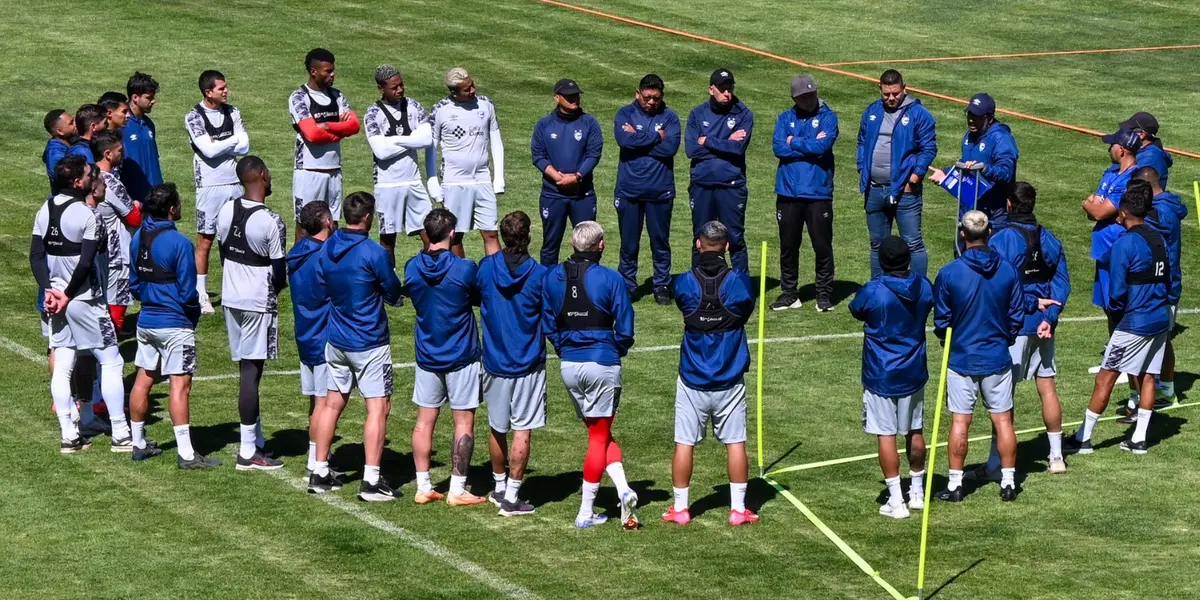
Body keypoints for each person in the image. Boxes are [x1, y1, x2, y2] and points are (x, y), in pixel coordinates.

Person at [31, 155, 131, 452]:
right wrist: (68, 293)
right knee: (111, 360)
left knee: (63, 364)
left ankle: (69, 435)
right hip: (85, 299)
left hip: (56, 300)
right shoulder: (89, 215)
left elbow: (36, 256)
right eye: (89, 174)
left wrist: (50, 291)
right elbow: (87, 262)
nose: (93, 176)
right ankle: (121, 433)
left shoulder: (45, 209)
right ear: (78, 182)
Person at [542, 221, 638, 529]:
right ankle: (585, 512)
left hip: (569, 366)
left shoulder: (552, 276)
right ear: (601, 245)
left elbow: (548, 322)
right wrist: (615, 350)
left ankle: (623, 489)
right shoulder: (611, 278)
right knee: (598, 436)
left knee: (599, 431)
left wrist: (564, 348)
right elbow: (625, 326)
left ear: (573, 244)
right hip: (601, 362)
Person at [663, 220, 758, 526]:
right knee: (735, 442)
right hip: (729, 377)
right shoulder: (740, 282)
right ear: (727, 247)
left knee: (684, 442)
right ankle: (738, 509)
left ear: (698, 244)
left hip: (692, 377)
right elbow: (744, 310)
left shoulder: (684, 282)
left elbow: (684, 305)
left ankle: (680, 509)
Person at [310, 192, 404, 501]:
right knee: (378, 407)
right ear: (367, 217)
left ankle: (319, 471)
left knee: (332, 403)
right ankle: (371, 481)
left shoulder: (328, 247)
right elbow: (392, 289)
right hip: (368, 341)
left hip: (336, 338)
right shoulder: (373, 252)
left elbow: (322, 280)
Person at [1066, 182, 1173, 455]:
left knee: (1105, 378)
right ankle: (1139, 439)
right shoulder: (1158, 238)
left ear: (1123, 213)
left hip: (1135, 322)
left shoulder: (1124, 244)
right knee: (1148, 377)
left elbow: (1115, 293)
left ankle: (1083, 438)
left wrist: (1119, 313)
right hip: (1160, 318)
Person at [932, 211, 1024, 502]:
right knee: (1003, 421)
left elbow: (942, 320)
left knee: (961, 422)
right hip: (996, 357)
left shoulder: (949, 272)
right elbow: (1017, 315)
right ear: (990, 232)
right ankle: (1008, 482)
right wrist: (1004, 339)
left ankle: (955, 485)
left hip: (962, 358)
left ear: (963, 234)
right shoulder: (1008, 270)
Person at [128, 183, 221, 467]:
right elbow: (188, 293)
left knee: (143, 379)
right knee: (180, 386)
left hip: (146, 321)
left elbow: (134, 284)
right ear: (171, 209)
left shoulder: (138, 238)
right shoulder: (180, 244)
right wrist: (191, 316)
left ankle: (138, 443)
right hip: (175, 325)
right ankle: (186, 454)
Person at [404, 208, 487, 506]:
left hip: (427, 353)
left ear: (426, 234)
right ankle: (458, 489)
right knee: (463, 423)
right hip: (461, 354)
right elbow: (478, 297)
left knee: (424, 422)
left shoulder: (412, 267)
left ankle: (423, 486)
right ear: (452, 233)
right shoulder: (465, 269)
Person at [848, 236, 933, 518]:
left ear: (882, 261)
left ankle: (897, 500)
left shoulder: (874, 290)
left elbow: (856, 309)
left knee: (886, 434)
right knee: (915, 429)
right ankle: (917, 493)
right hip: (913, 370)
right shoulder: (923, 285)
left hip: (881, 374)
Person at [989, 182, 1070, 475]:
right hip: (1044, 326)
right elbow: (1062, 284)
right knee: (1047, 388)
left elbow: (999, 287)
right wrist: (1050, 316)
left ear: (1009, 205)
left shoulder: (1001, 241)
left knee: (1003, 396)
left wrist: (1030, 306)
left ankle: (996, 463)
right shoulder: (1051, 239)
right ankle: (1057, 457)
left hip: (1015, 326)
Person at [217, 156, 288, 471]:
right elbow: (279, 272)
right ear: (260, 174)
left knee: (246, 369)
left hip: (231, 297)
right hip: (257, 300)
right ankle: (248, 452)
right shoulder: (271, 221)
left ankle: (256, 439)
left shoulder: (225, 209)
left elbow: (223, 251)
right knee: (251, 373)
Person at [476, 211, 547, 517]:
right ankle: (512, 496)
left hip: (494, 361)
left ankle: (500, 487)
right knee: (522, 429)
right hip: (528, 362)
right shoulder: (540, 275)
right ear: (528, 236)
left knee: (497, 427)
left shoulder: (485, 268)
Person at [856, 69, 937, 279]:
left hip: (904, 191)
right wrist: (862, 168)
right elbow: (862, 142)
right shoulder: (872, 111)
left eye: (895, 93)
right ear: (880, 90)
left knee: (912, 243)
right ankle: (878, 289)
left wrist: (914, 178)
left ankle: (918, 289)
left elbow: (928, 149)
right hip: (874, 189)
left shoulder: (918, 114)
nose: (891, 98)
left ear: (904, 89)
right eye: (886, 94)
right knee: (877, 244)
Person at [771, 75, 839, 312]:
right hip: (788, 193)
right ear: (795, 99)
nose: (809, 100)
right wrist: (807, 144)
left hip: (818, 193)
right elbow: (779, 148)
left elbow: (822, 147)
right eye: (803, 97)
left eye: (811, 95)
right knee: (788, 246)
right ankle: (790, 293)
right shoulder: (784, 118)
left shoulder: (828, 117)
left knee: (822, 245)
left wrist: (793, 141)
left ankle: (824, 294)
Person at [612, 74, 681, 303]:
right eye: (647, 97)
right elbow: (624, 141)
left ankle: (662, 284)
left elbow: (670, 148)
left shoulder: (670, 117)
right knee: (628, 243)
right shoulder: (624, 114)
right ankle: (628, 284)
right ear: (638, 93)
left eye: (656, 98)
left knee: (660, 242)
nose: (651, 102)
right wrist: (655, 137)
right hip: (629, 191)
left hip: (659, 192)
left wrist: (638, 141)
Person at [1122, 167, 1186, 410]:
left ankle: (1164, 390)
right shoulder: (1166, 207)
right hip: (1165, 282)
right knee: (1162, 339)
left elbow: (1150, 237)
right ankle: (1162, 389)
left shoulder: (1160, 214)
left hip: (1161, 285)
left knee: (1161, 340)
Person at [187, 69, 250, 315]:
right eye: (221, 88)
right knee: (206, 240)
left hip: (234, 183)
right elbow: (208, 151)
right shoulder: (194, 116)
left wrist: (221, 144)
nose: (226, 91)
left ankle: (234, 290)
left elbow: (244, 147)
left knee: (234, 238)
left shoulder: (233, 112)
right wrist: (231, 142)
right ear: (208, 92)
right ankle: (201, 294)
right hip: (209, 186)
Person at [429, 68, 506, 257]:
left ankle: (494, 273)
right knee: (454, 235)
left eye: (472, 85)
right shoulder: (440, 110)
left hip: (482, 179)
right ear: (453, 92)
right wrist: (432, 181)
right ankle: (460, 274)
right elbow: (431, 147)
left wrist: (499, 178)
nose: (473, 90)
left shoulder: (486, 105)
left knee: (491, 232)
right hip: (454, 181)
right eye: (467, 89)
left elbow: (496, 139)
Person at [685, 68, 754, 272]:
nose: (727, 93)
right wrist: (726, 141)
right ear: (711, 90)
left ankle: (740, 286)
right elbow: (691, 150)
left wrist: (707, 140)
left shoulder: (744, 114)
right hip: (702, 185)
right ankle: (699, 285)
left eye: (730, 88)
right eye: (722, 89)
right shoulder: (697, 114)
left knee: (735, 239)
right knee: (700, 239)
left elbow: (738, 149)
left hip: (731, 186)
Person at [365, 64, 435, 263]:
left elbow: (426, 139)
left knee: (430, 233)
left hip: (414, 182)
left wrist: (393, 141)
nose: (400, 90)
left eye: (401, 85)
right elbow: (381, 152)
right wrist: (412, 140)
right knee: (387, 240)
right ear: (381, 88)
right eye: (394, 87)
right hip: (387, 185)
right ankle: (389, 280)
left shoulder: (413, 106)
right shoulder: (373, 114)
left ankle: (432, 273)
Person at [530, 79, 603, 267]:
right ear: (556, 98)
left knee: (588, 244)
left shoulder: (589, 123)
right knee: (550, 244)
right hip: (553, 194)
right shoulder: (544, 124)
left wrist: (577, 176)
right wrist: (558, 178)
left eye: (576, 95)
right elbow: (538, 156)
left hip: (583, 195)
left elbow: (594, 154)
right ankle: (548, 281)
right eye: (569, 96)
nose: (574, 99)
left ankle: (586, 280)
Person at [289, 48, 360, 237]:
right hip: (309, 172)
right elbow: (312, 134)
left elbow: (354, 126)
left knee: (332, 224)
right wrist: (340, 130)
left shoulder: (337, 96)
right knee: (305, 226)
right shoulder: (299, 97)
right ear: (314, 71)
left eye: (333, 70)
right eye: (328, 71)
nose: (333, 74)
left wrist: (327, 125)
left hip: (334, 171)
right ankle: (300, 258)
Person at [287, 201, 334, 478]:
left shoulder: (296, 253)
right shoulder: (325, 256)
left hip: (305, 333)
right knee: (324, 403)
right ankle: (317, 461)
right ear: (327, 222)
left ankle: (314, 455)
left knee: (316, 401)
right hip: (324, 335)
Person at [929, 93, 1018, 233]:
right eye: (969, 114)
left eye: (977, 116)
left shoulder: (1001, 138)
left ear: (989, 118)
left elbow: (1006, 172)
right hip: (968, 212)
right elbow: (965, 164)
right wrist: (945, 173)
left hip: (992, 217)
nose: (971, 120)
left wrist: (984, 169)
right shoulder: (969, 136)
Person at [1083, 128, 1140, 334]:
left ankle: (1122, 348)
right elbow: (1096, 212)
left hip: (1117, 248)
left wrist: (1087, 203)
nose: (1109, 149)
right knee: (1107, 303)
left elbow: (1097, 211)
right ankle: (1113, 347)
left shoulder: (1131, 178)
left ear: (1122, 150)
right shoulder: (1110, 173)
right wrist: (1094, 207)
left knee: (1119, 301)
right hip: (1103, 250)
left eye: (1112, 145)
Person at [92, 130, 142, 332]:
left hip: (95, 246)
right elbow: (134, 218)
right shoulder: (110, 182)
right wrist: (137, 205)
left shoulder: (88, 175)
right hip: (115, 250)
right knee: (117, 295)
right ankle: (114, 335)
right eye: (120, 150)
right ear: (108, 154)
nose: (123, 154)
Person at [121, 72, 163, 202]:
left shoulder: (149, 124)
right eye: (149, 98)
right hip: (133, 197)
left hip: (154, 194)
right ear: (135, 97)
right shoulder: (121, 125)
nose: (153, 101)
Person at [1122, 112, 1172, 189]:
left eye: (1129, 130)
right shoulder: (1140, 151)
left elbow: (1126, 185)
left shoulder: (1150, 158)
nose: (1124, 133)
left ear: (1141, 134)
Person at [42, 109, 77, 194]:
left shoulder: (70, 141)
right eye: (71, 123)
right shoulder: (55, 155)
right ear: (60, 131)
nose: (75, 124)